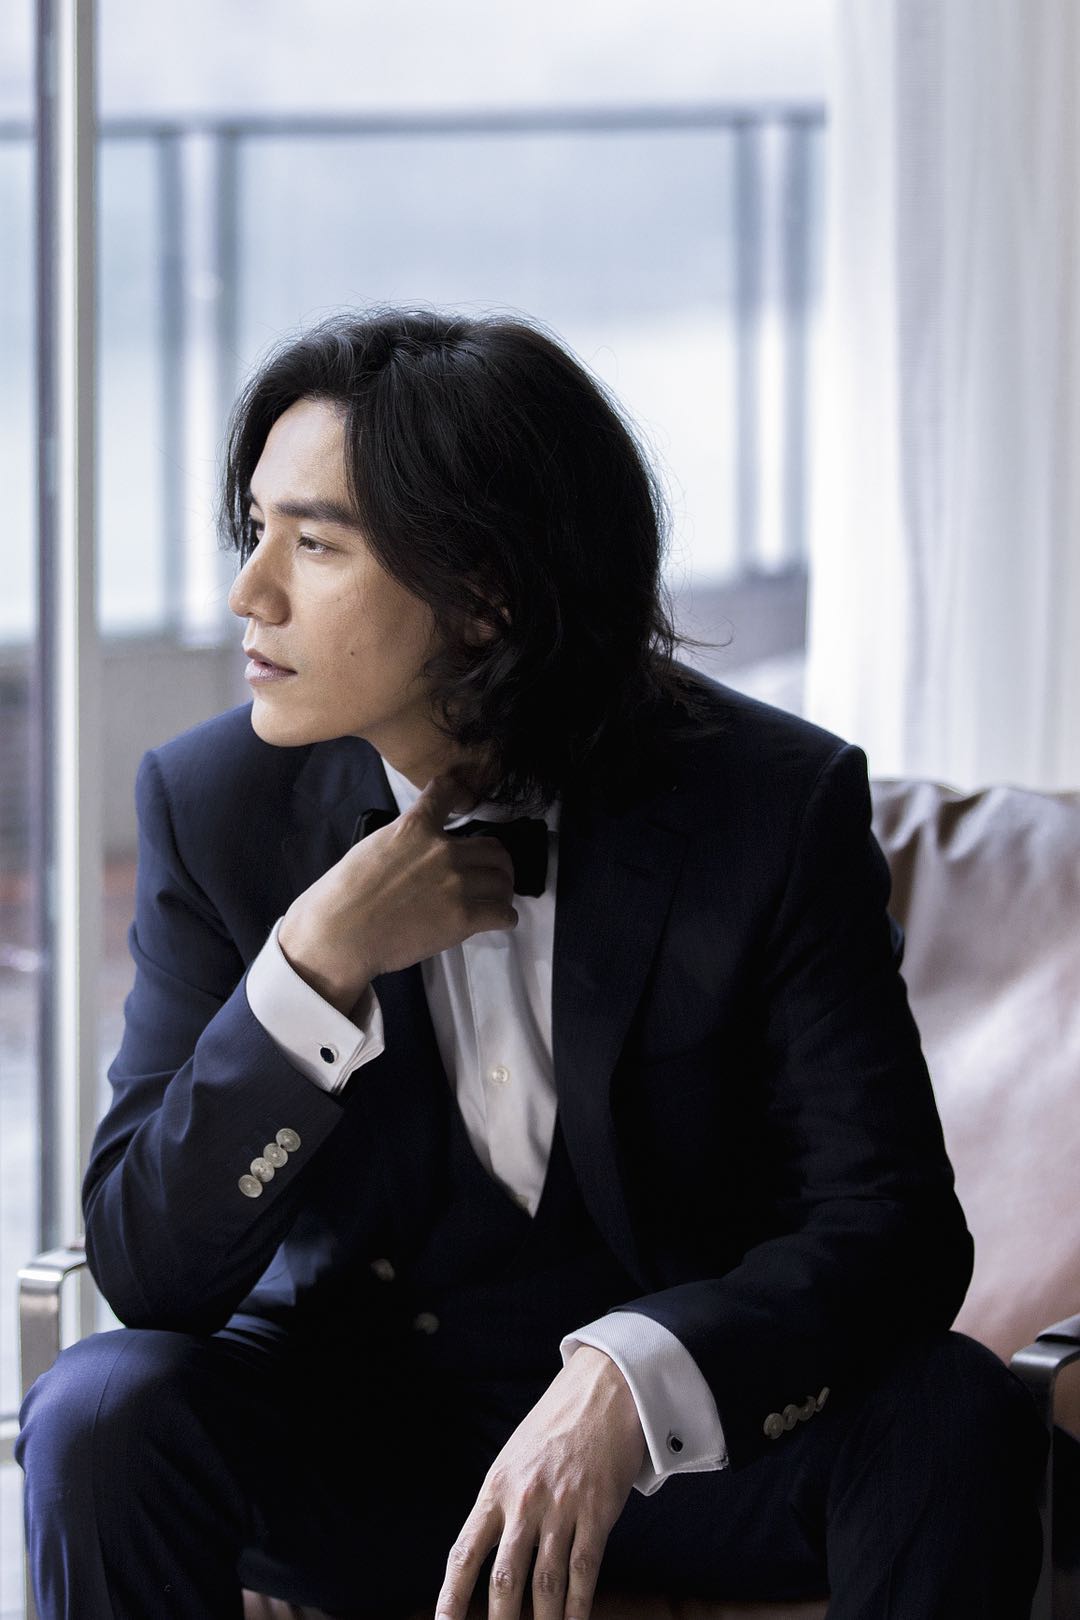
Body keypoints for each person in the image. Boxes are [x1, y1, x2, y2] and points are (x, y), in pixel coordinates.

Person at [18, 307, 1048, 1620]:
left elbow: (893, 1230)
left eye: (314, 544)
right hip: (356, 1448)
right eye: (255, 530)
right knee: (101, 1413)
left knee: (951, 1411)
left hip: (681, 1464)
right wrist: (313, 969)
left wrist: (636, 1375)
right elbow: (150, 1271)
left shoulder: (768, 803)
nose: (248, 594)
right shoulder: (216, 804)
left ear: (484, 592)